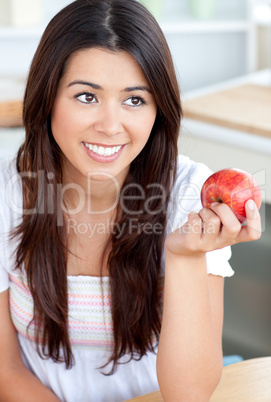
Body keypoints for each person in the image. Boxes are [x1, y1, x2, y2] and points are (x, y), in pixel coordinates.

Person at [0, 0, 261, 401]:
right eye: (86, 96)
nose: (109, 126)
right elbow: (8, 371)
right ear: (47, 98)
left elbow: (189, 395)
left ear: (159, 111)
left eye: (134, 100)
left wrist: (184, 257)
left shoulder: (190, 196)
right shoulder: (7, 197)